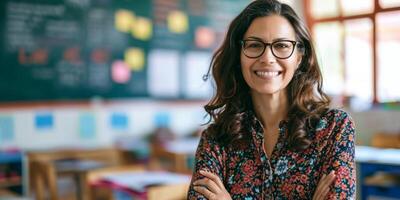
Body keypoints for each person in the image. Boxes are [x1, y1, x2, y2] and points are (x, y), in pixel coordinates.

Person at [187, 0, 356, 199]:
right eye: (254, 45)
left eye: (282, 45)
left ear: (299, 57)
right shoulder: (215, 139)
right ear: (238, 55)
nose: (267, 57)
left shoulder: (334, 129)